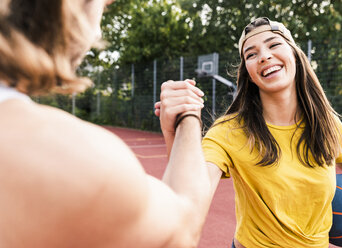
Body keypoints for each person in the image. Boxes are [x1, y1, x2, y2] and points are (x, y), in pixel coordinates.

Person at [0, 0, 213, 247]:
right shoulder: (74, 157)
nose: (98, 32)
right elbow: (183, 226)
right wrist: (189, 115)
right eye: (104, 5)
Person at [155, 17, 342, 248]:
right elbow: (187, 206)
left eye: (274, 45)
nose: (264, 56)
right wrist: (177, 130)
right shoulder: (229, 132)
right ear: (248, 72)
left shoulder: (326, 124)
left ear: (295, 54)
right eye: (251, 54)